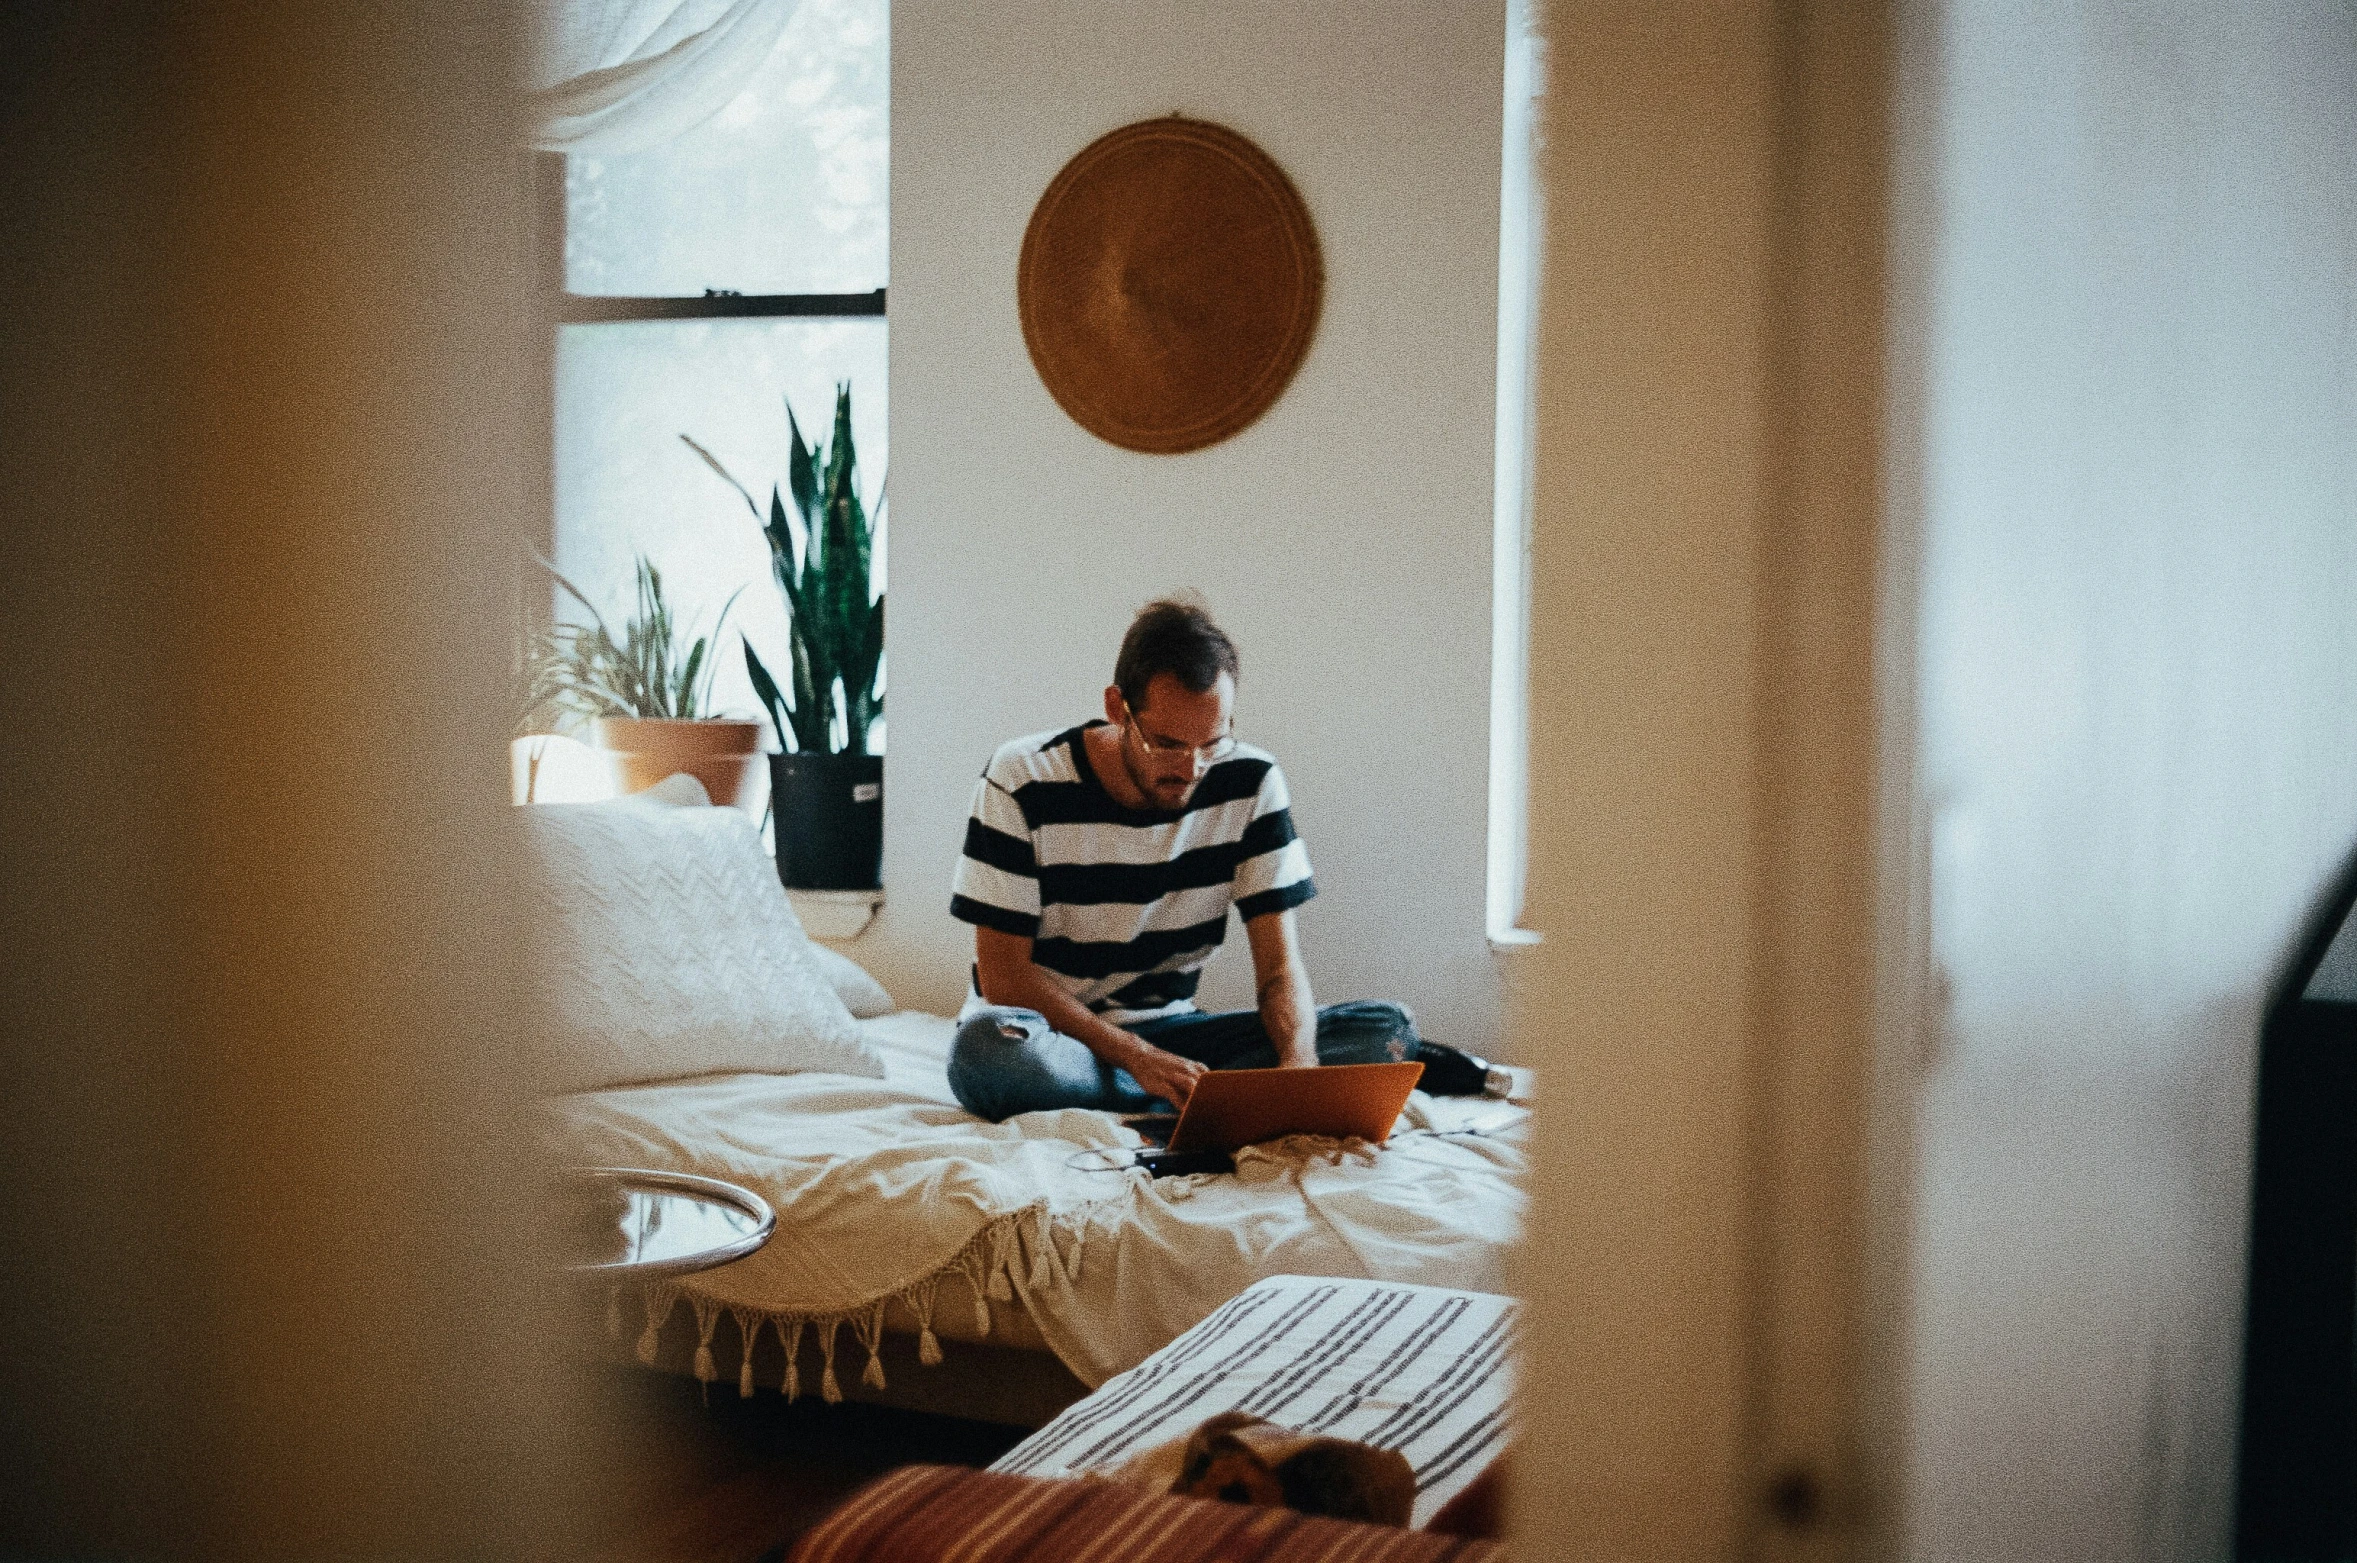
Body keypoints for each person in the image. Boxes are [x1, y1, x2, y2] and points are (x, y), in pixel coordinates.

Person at [945, 595, 1505, 1121]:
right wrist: (1138, 1058)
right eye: (1167, 744)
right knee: (987, 1057)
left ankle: (1188, 1093)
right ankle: (1193, 1092)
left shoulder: (1251, 781)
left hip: (1176, 1035)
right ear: (1118, 709)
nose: (1191, 769)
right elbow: (1005, 977)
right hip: (1050, 1037)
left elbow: (1280, 969)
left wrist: (1297, 1075)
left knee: (1386, 1030)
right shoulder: (1020, 778)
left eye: (1212, 742)